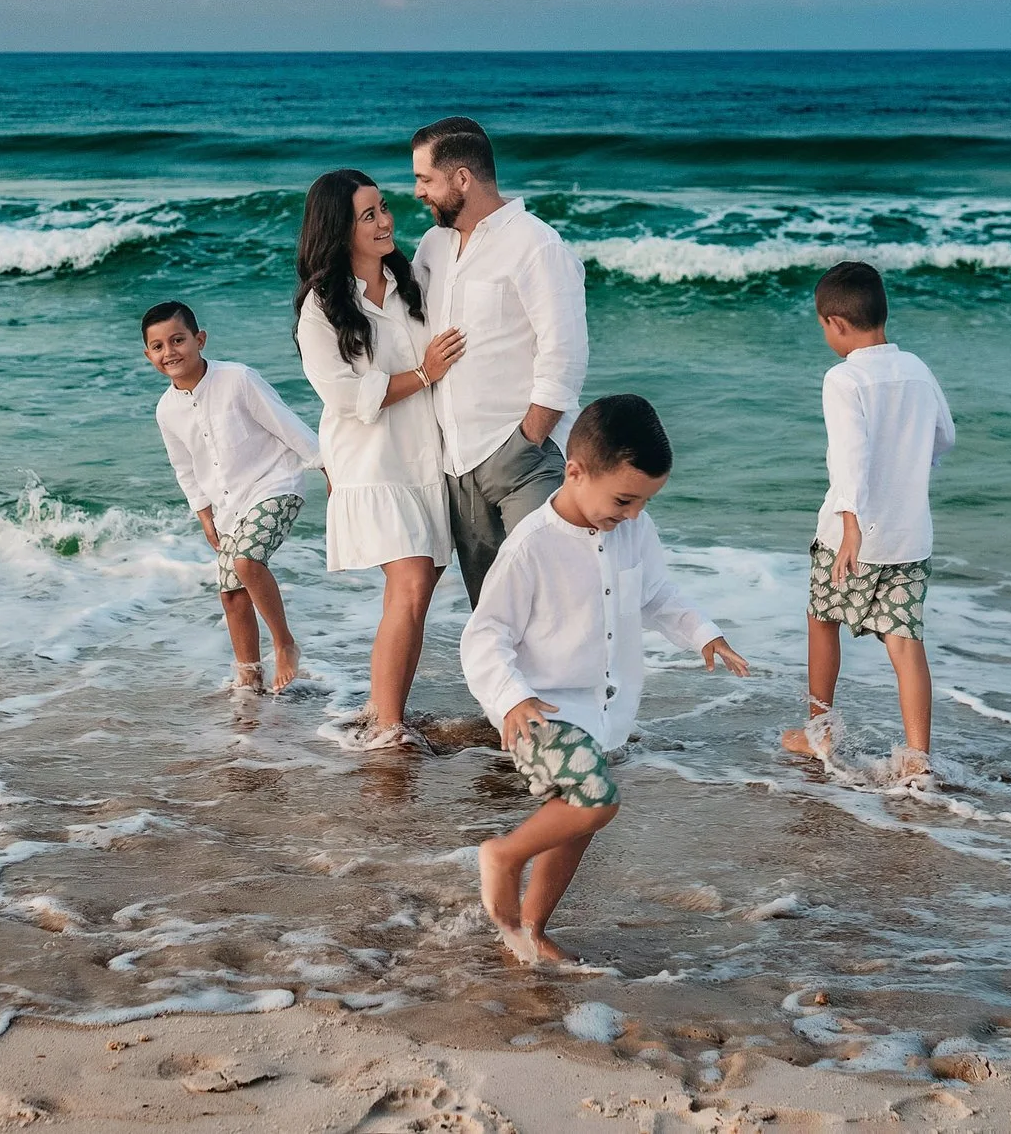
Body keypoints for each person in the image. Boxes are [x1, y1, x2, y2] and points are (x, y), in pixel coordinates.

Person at [460, 394, 750, 964]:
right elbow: (484, 635)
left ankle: (531, 932)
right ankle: (502, 855)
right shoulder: (531, 548)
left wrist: (704, 634)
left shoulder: (631, 530)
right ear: (574, 472)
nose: (633, 514)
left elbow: (659, 594)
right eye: (624, 499)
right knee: (597, 801)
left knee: (578, 823)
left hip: (599, 712)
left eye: (644, 502)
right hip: (539, 708)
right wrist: (510, 698)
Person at [293, 169, 467, 746]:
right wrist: (422, 374)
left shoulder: (410, 282)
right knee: (413, 583)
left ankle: (381, 706)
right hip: (369, 463)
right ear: (339, 229)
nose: (386, 220)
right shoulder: (322, 307)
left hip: (425, 456)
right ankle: (389, 727)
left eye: (384, 207)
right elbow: (345, 396)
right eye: (368, 215)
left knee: (414, 591)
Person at [780, 261, 956, 783]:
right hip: (909, 536)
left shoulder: (844, 377)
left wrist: (852, 521)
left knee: (821, 620)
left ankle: (819, 732)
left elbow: (848, 456)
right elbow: (945, 435)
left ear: (834, 323)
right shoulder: (917, 369)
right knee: (905, 644)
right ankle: (917, 757)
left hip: (849, 536)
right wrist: (910, 462)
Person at [410, 116, 589, 609]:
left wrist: (529, 439)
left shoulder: (536, 244)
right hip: (455, 464)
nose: (417, 192)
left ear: (462, 178)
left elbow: (565, 352)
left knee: (552, 604)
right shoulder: (433, 247)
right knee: (492, 615)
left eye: (425, 179)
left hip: (523, 459)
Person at [144, 300, 319, 694]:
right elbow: (185, 468)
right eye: (158, 347)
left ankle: (285, 643)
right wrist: (204, 515)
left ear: (199, 339)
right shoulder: (166, 411)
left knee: (245, 561)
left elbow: (285, 423)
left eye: (177, 340)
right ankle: (249, 677)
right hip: (229, 507)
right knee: (231, 593)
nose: (169, 352)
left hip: (276, 484)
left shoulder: (237, 379)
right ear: (148, 355)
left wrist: (325, 465)